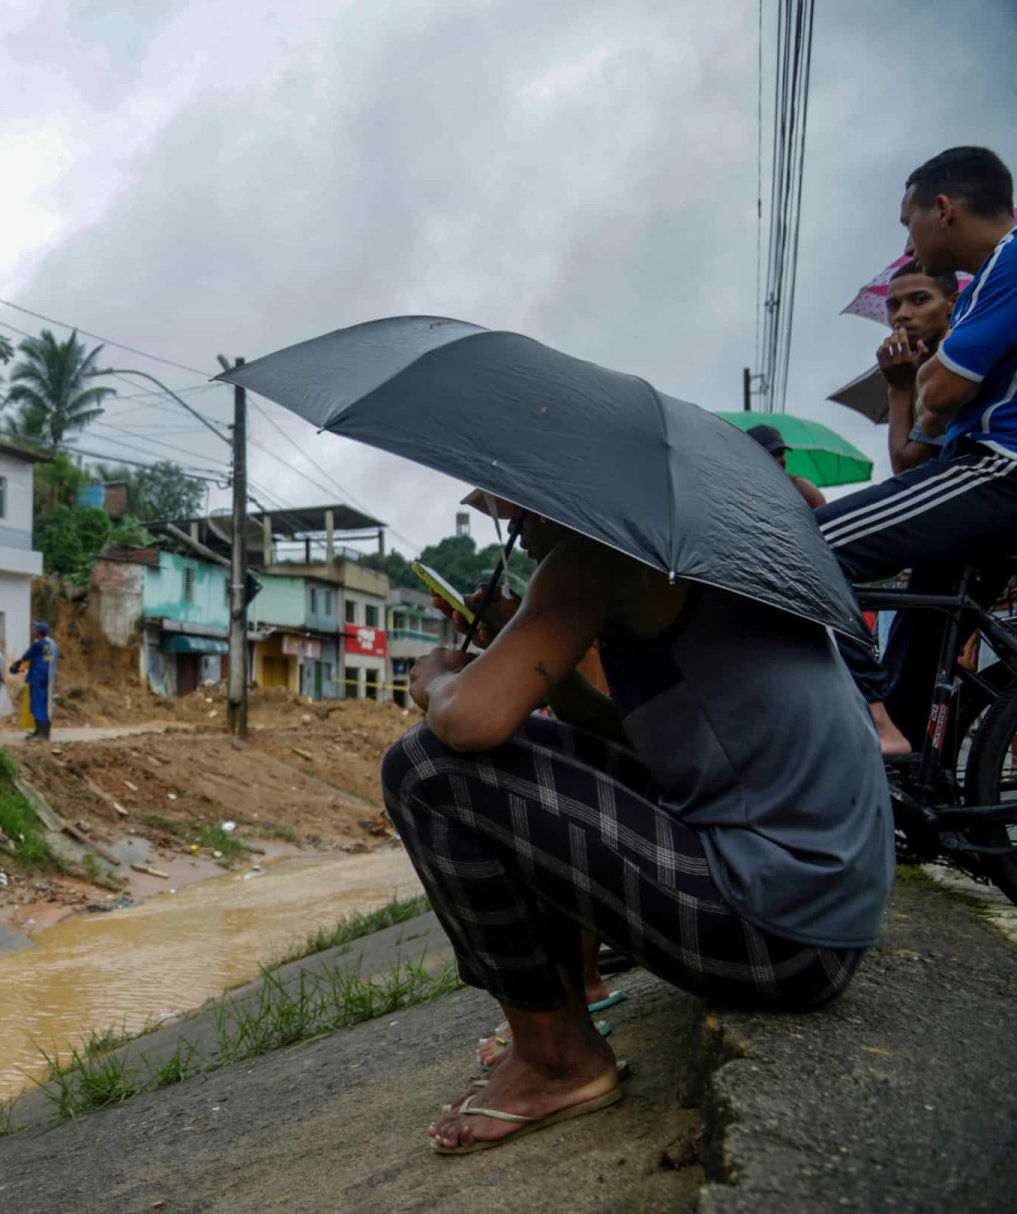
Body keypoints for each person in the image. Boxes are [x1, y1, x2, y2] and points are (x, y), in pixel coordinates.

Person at [383, 505, 889, 1154]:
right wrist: (540, 652)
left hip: (781, 932)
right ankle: (558, 1030)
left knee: (424, 767)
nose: (510, 522)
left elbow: (470, 722)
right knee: (539, 751)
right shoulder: (699, 550)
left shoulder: (595, 554)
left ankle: (555, 1062)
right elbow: (653, 749)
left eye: (513, 503)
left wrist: (439, 680)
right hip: (821, 915)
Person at [817, 146, 1017, 756]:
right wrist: (916, 389)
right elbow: (916, 447)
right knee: (920, 649)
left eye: (909, 222)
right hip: (976, 469)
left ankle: (875, 730)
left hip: (1000, 468)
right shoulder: (987, 277)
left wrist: (931, 386)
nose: (907, 238)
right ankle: (911, 766)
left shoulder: (1009, 260)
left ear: (943, 208)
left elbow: (946, 390)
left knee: (811, 548)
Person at [874, 261, 960, 474]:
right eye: (893, 305)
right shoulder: (924, 365)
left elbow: (905, 466)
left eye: (919, 300)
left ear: (953, 303)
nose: (902, 315)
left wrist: (899, 388)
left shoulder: (958, 358)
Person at [744, 424, 827, 509]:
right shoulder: (745, 493)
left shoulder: (802, 490)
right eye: (772, 455)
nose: (780, 460)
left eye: (781, 453)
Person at [10, 621, 57, 742]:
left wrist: (16, 666)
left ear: (38, 631)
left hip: (37, 678)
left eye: (35, 628)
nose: (33, 630)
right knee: (42, 705)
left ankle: (41, 735)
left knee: (37, 706)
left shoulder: (38, 645)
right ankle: (41, 732)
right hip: (44, 678)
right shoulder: (48, 645)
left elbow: (26, 656)